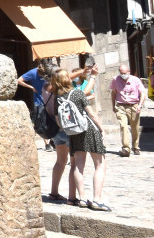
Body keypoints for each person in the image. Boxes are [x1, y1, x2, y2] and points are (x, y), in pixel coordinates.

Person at [60, 67, 110, 211]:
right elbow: (92, 114)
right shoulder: (77, 93)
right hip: (88, 129)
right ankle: (97, 200)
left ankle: (82, 198)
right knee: (100, 165)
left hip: (74, 132)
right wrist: (101, 128)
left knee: (78, 165)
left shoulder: (59, 97)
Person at [42, 68, 75, 204]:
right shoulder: (61, 93)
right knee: (74, 163)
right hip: (67, 130)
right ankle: (73, 197)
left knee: (60, 162)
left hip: (55, 131)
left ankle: (54, 192)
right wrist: (92, 77)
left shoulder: (44, 88)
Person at [18, 59, 55, 151]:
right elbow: (19, 80)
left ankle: (51, 141)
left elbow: (19, 80)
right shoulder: (33, 72)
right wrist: (32, 87)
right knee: (44, 121)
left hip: (46, 100)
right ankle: (47, 143)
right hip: (42, 100)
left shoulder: (43, 71)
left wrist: (32, 88)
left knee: (46, 121)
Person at [110, 63, 145, 156]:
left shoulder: (136, 80)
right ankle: (126, 148)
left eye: (125, 73)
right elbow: (113, 93)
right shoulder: (115, 80)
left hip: (134, 105)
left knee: (135, 127)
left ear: (129, 72)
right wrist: (113, 105)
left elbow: (143, 93)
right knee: (123, 126)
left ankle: (135, 146)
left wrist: (140, 105)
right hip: (121, 106)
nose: (123, 75)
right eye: (121, 73)